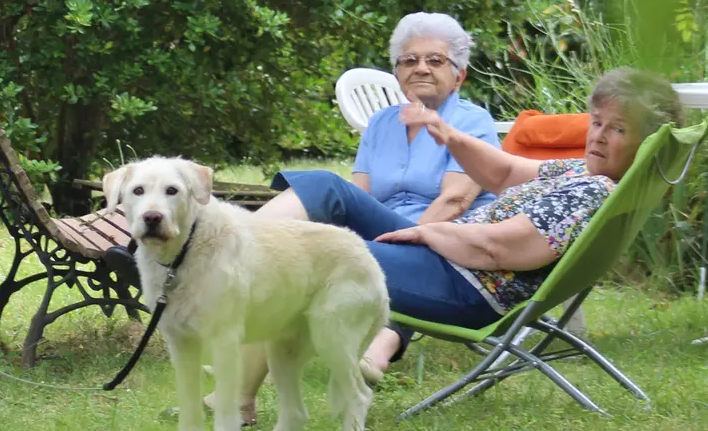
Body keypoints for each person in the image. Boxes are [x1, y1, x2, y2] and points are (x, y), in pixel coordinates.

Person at [228, 67, 682, 420]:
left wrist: (431, 231)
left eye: (617, 129)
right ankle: (234, 251)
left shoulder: (593, 191)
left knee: (311, 253)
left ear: (646, 145)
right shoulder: (585, 171)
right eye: (596, 122)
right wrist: (449, 135)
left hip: (466, 285)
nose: (598, 135)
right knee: (330, 189)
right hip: (451, 262)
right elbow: (504, 173)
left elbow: (499, 250)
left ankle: (227, 300)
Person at [277, 13, 501, 225]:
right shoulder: (380, 123)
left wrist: (402, 241)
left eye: (435, 60)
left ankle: (257, 238)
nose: (421, 69)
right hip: (382, 235)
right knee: (317, 190)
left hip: (439, 240)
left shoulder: (473, 122)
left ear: (459, 77)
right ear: (397, 74)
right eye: (409, 61)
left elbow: (454, 201)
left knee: (325, 184)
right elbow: (359, 199)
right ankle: (258, 240)